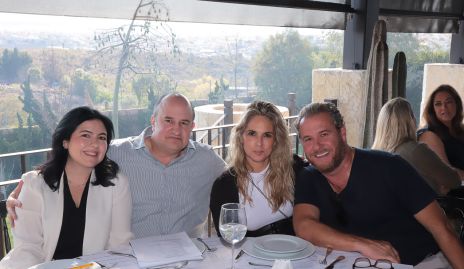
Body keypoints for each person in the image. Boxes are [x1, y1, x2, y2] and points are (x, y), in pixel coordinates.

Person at [7, 93, 226, 239]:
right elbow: (73, 162)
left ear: (192, 126)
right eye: (168, 120)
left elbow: (241, 180)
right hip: (129, 259)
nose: (176, 130)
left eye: (184, 123)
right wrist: (28, 188)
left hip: (189, 260)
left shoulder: (207, 160)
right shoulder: (117, 153)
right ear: (153, 121)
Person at [293, 102, 464, 268]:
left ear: (342, 133)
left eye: (324, 134)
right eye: (308, 139)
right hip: (357, 262)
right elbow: (304, 226)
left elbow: (442, 229)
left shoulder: (389, 167)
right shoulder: (309, 178)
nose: (316, 146)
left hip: (420, 262)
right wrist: (363, 245)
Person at [0, 107, 132, 269]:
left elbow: (119, 244)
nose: (95, 144)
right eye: (85, 135)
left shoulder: (116, 182)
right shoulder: (34, 184)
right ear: (65, 141)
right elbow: (28, 248)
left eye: (101, 138)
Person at [210, 101, 307, 237]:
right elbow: (228, 239)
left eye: (267, 135)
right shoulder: (224, 186)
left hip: (294, 255)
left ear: (276, 140)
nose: (259, 143)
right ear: (241, 137)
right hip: (248, 257)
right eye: (252, 133)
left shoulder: (294, 168)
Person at [372, 97, 461, 195]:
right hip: (423, 209)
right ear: (410, 121)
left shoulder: (374, 154)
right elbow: (454, 180)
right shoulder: (416, 150)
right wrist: (438, 187)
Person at [417, 84, 464, 179]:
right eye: (438, 104)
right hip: (449, 191)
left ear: (457, 104)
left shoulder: (461, 130)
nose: (444, 107)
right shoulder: (428, 135)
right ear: (432, 109)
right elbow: (447, 172)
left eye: (449, 102)